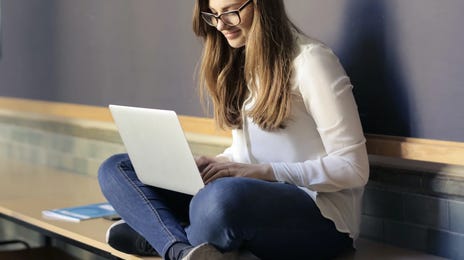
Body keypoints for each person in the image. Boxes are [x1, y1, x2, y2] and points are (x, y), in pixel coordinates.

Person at [98, 0, 369, 259]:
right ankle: (181, 251)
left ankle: (160, 236)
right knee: (116, 168)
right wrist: (216, 164)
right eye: (213, 15)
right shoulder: (240, 62)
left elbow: (354, 168)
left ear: (262, 5)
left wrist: (265, 172)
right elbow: (247, 154)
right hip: (249, 198)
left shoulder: (311, 62)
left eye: (230, 12)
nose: (221, 25)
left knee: (217, 202)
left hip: (321, 218)